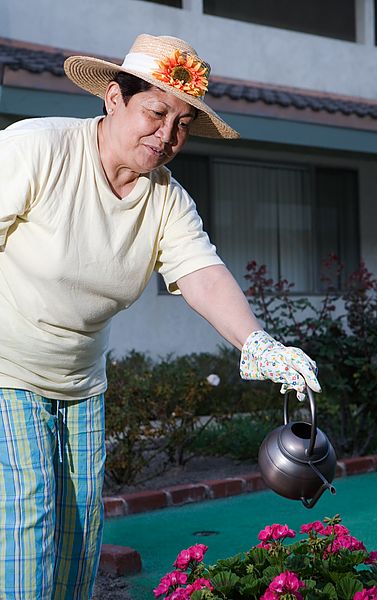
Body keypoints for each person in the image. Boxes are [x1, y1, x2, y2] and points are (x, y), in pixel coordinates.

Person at [0, 34, 321, 599]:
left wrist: (259, 344)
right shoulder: (37, 150)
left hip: (80, 381)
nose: (167, 135)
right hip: (6, 369)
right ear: (114, 99)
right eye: (156, 112)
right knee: (29, 520)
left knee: (80, 536)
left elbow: (202, 274)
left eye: (182, 124)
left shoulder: (166, 199)